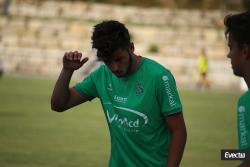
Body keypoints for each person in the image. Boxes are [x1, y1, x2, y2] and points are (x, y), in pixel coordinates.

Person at [51, 20, 187, 167]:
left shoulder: (159, 77)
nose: (114, 67)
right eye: (108, 61)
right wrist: (67, 71)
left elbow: (179, 131)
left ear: (131, 47)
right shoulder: (101, 76)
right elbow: (59, 104)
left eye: (119, 59)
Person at [224, 11, 250, 167]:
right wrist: (226, 154)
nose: (228, 55)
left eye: (231, 47)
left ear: (245, 50)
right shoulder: (244, 101)